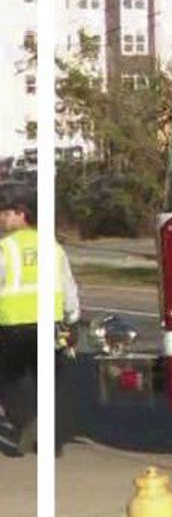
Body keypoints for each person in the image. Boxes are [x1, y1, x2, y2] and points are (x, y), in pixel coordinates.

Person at [0, 181, 76, 455]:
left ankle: (25, 422)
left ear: (22, 214)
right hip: (49, 325)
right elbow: (67, 285)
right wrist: (72, 318)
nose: (2, 218)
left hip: (13, 327)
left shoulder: (5, 248)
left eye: (7, 212)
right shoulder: (52, 246)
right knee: (49, 382)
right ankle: (52, 442)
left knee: (10, 381)